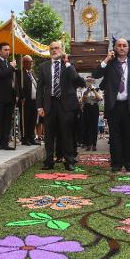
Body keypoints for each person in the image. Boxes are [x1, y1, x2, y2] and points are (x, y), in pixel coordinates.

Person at [92, 38, 130, 172]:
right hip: (114, 106)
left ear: (128, 48)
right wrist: (106, 60)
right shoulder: (109, 65)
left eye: (124, 46)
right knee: (115, 136)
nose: (122, 48)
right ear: (114, 48)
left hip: (129, 105)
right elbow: (95, 74)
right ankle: (116, 163)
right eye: (119, 45)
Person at [37, 40, 85, 170]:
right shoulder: (43, 66)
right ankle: (48, 161)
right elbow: (40, 89)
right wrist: (39, 106)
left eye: (57, 48)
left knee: (67, 133)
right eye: (52, 48)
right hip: (49, 104)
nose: (54, 50)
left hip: (66, 105)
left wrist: (67, 63)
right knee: (49, 135)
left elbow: (78, 81)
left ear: (62, 49)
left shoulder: (69, 65)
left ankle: (69, 161)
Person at [16, 55, 39, 146]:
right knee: (25, 119)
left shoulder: (32, 73)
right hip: (25, 100)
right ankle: (25, 138)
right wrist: (21, 97)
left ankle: (31, 137)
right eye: (30, 62)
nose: (32, 63)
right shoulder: (20, 73)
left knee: (33, 119)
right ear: (25, 63)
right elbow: (19, 86)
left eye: (32, 61)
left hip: (34, 100)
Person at [81, 76, 103, 151]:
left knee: (94, 126)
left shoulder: (97, 89)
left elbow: (100, 98)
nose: (89, 82)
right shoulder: (83, 89)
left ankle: (94, 144)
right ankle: (87, 144)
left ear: (93, 81)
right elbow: (82, 100)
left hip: (94, 108)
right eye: (88, 81)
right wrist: (87, 91)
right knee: (86, 126)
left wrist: (93, 90)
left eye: (90, 81)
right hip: (86, 107)